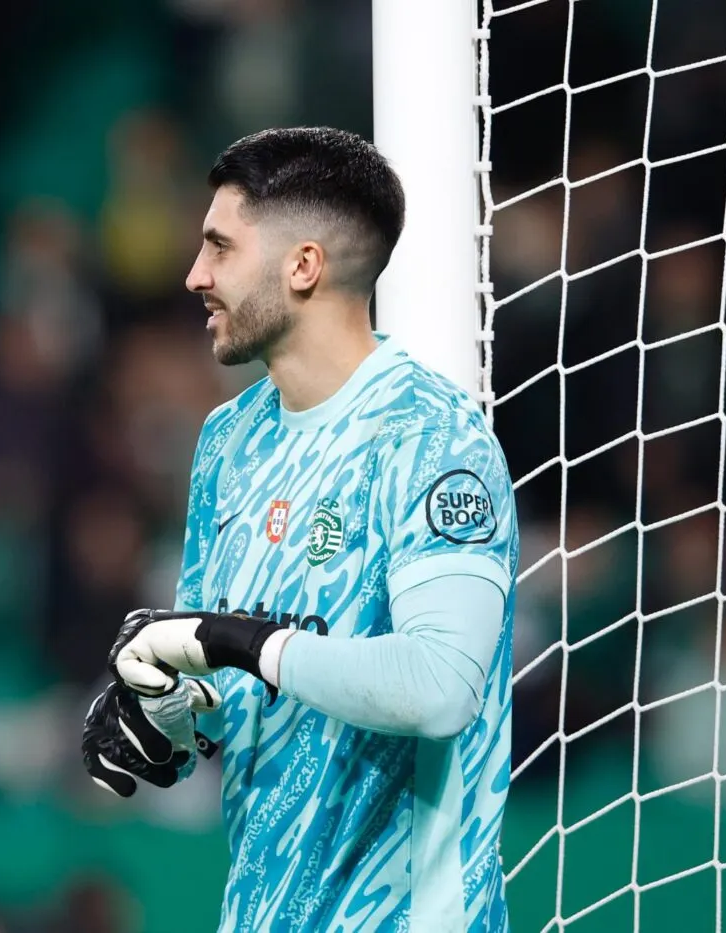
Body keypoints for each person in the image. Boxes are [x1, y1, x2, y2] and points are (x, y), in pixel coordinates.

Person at [81, 127, 517, 932]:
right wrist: (162, 704)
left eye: (220, 247)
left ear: (303, 265)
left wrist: (246, 641)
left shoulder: (431, 438)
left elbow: (441, 686)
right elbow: (225, 690)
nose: (195, 274)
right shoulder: (228, 440)